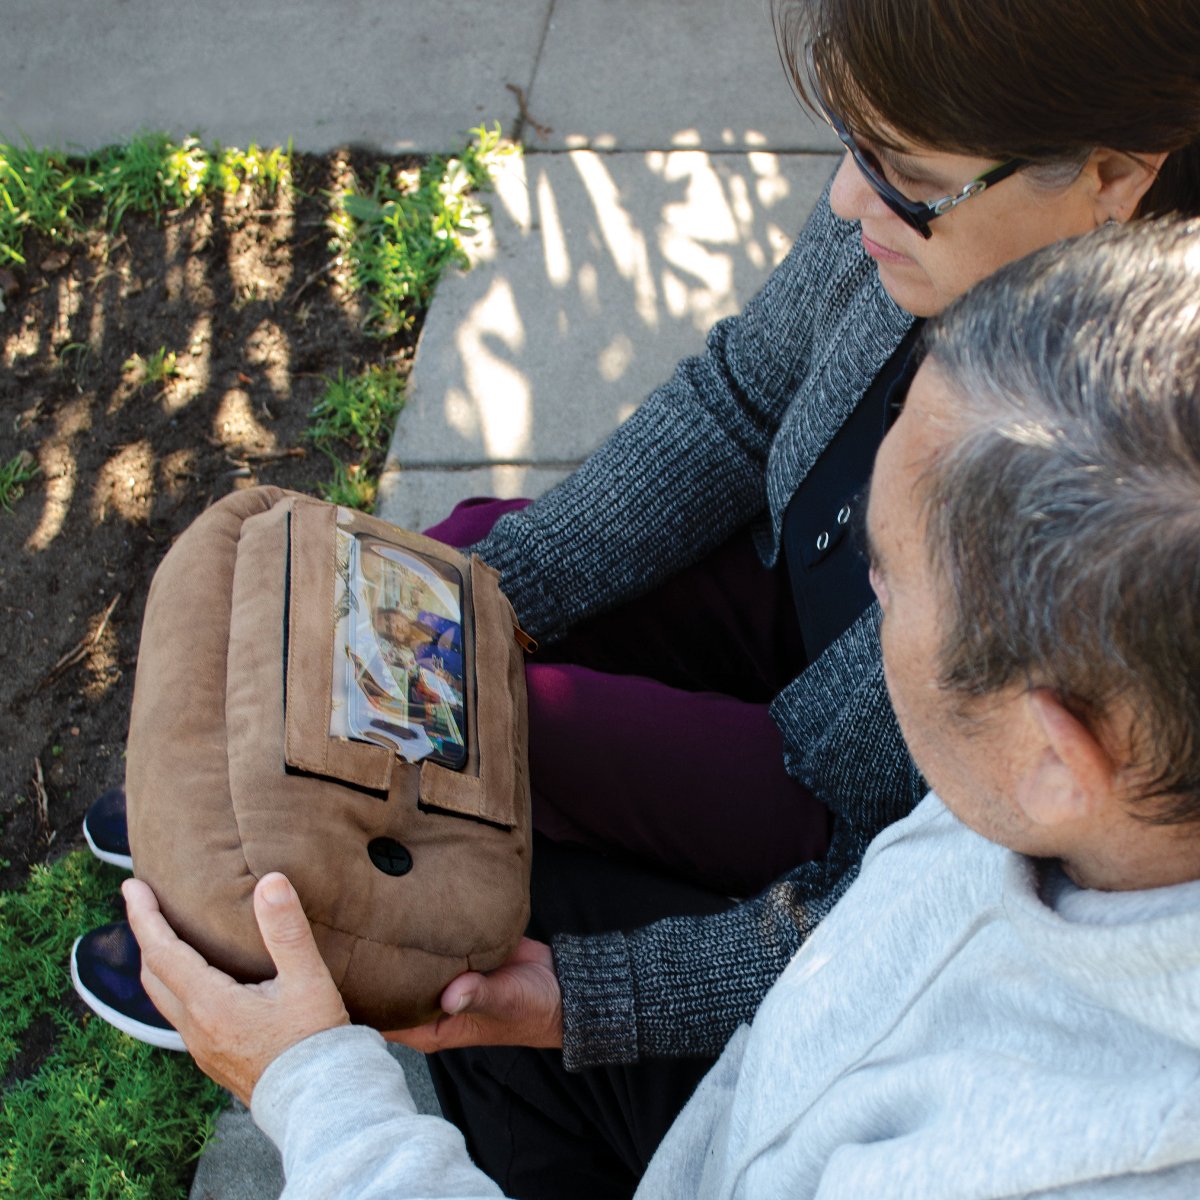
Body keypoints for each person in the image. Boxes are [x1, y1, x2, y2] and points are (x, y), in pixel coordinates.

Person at [72, 0, 1200, 1189]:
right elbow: (743, 398)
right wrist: (474, 597)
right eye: (849, 144)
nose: (843, 201)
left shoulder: (1005, 1108)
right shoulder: (1044, 798)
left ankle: (265, 916)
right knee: (455, 576)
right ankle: (245, 801)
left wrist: (343, 1075)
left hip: (827, 785)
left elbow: (853, 895)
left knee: (495, 753)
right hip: (825, 703)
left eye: (895, 568)